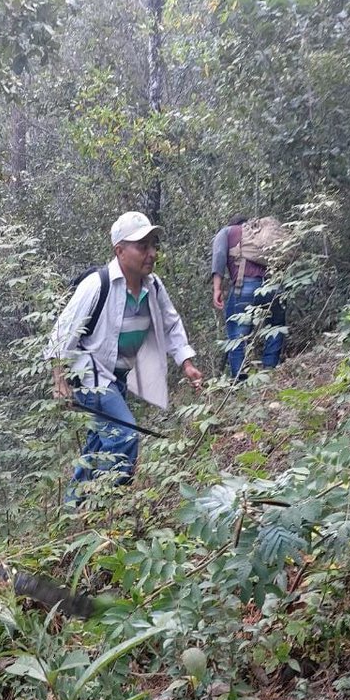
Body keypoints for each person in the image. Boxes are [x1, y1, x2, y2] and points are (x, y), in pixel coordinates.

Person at [46, 212, 203, 501]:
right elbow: (61, 333)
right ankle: (104, 505)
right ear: (119, 250)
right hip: (90, 375)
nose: (152, 254)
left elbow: (170, 324)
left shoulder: (152, 286)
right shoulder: (97, 284)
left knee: (96, 446)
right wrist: (60, 381)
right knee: (125, 437)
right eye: (142, 246)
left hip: (117, 376)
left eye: (153, 245)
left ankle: (73, 507)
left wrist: (186, 362)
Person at [211, 214, 287, 377]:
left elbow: (218, 256)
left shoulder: (228, 232)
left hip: (244, 286)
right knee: (276, 327)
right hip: (273, 286)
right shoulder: (264, 236)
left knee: (237, 339)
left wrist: (217, 288)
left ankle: (240, 383)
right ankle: (270, 371)